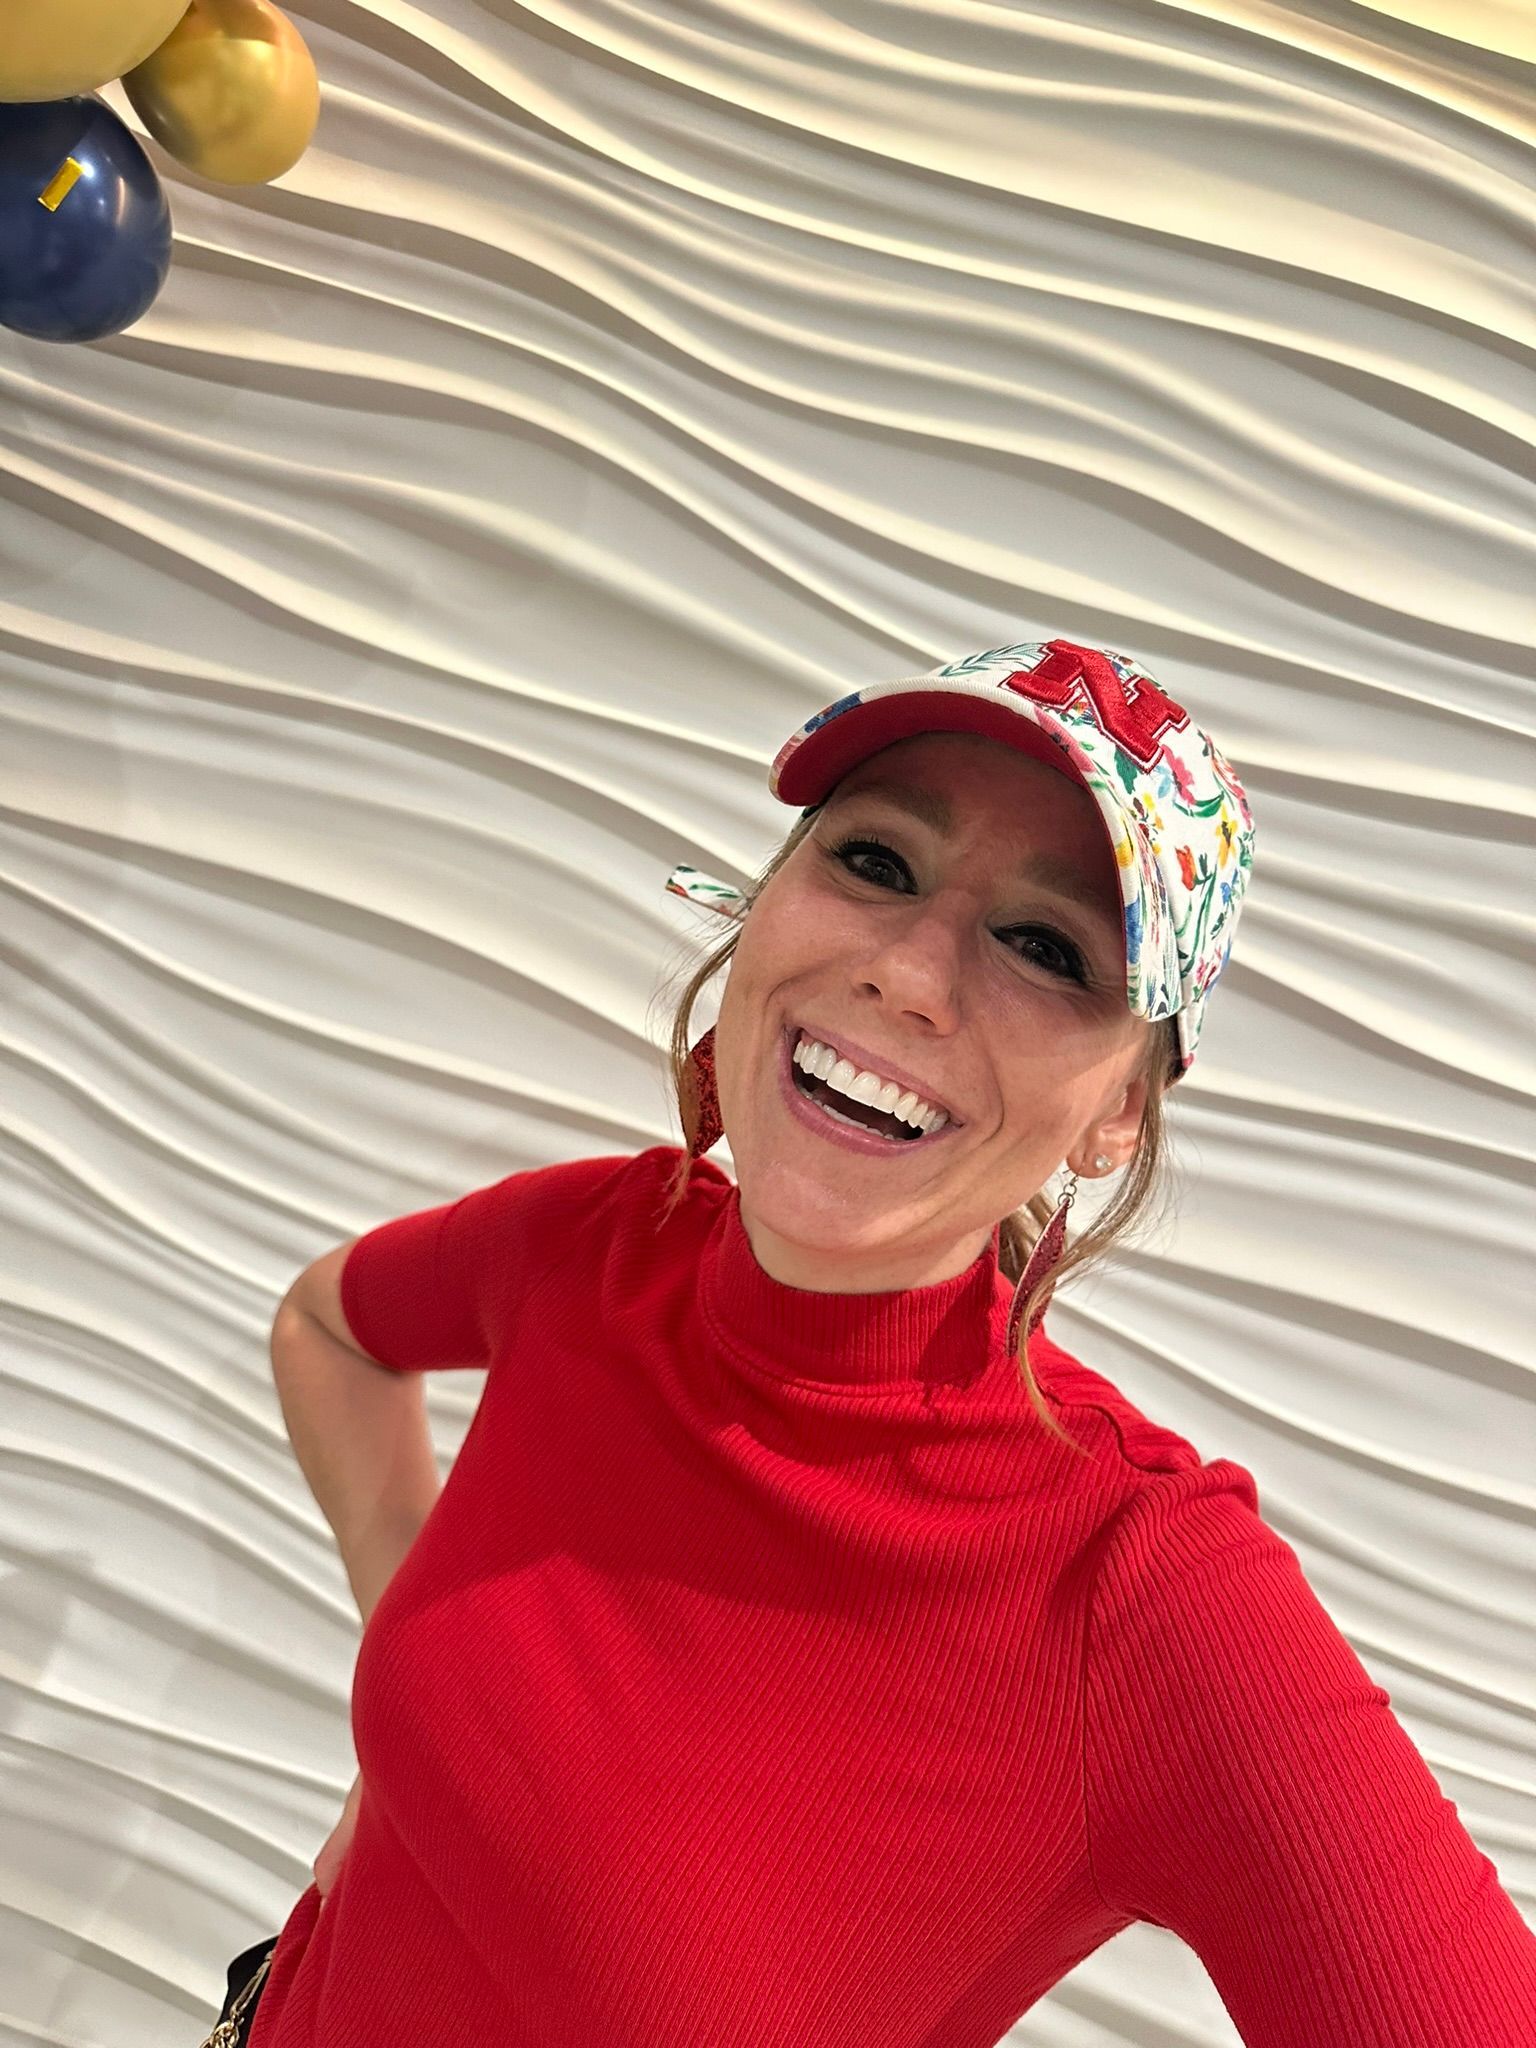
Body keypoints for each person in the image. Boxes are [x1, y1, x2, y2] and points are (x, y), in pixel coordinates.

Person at [233, 637, 1536, 2048]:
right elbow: (325, 1328)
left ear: (1121, 1116)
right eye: (876, 863)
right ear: (765, 907)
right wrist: (407, 1694)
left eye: (1047, 949)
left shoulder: (1133, 1590)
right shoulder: (592, 1249)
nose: (912, 974)